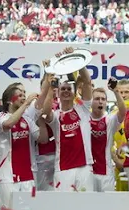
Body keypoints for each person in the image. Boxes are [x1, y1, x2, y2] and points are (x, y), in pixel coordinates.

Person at [0, 83, 49, 210]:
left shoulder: (26, 120)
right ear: (11, 99)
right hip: (8, 176)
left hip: (27, 175)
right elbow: (9, 124)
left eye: (25, 93)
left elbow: (41, 138)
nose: (25, 96)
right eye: (20, 94)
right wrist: (27, 105)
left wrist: (40, 119)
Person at [43, 47, 94, 192]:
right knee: (64, 208)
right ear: (57, 93)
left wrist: (77, 60)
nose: (66, 91)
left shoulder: (82, 109)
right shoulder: (56, 115)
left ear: (73, 92)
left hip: (85, 166)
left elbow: (87, 82)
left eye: (68, 89)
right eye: (62, 89)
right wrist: (49, 86)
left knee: (85, 206)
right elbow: (45, 112)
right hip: (63, 168)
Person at [90, 81, 126, 192]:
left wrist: (116, 91)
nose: (100, 102)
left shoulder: (110, 120)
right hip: (87, 171)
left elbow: (122, 112)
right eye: (97, 99)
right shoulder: (84, 118)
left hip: (106, 172)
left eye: (103, 99)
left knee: (106, 206)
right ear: (91, 101)